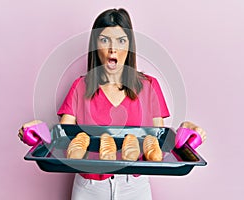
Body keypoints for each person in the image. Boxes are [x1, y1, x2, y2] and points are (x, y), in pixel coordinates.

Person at [57, 8, 206, 200]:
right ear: (95, 46)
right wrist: (36, 134)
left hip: (134, 186)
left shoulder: (149, 86)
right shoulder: (79, 87)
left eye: (121, 40)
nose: (113, 49)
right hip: (89, 186)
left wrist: (184, 134)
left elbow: (159, 141)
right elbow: (61, 139)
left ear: (129, 46)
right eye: (104, 40)